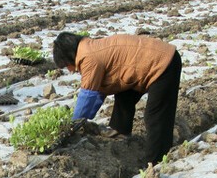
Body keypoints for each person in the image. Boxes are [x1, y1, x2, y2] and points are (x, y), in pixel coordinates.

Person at [52, 31, 182, 164]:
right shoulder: (90, 47)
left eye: (67, 66)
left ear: (70, 55)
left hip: (163, 63)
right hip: (151, 61)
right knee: (124, 91)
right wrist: (82, 121)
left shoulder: (88, 58)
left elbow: (88, 96)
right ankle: (120, 131)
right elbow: (98, 92)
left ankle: (156, 162)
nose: (70, 70)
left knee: (155, 115)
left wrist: (72, 126)